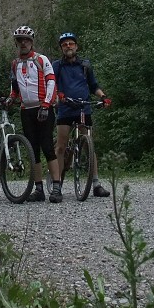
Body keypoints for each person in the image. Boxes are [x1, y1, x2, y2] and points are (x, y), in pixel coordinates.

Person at [7, 25, 63, 203]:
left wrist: (46, 105)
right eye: (20, 40)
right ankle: (39, 189)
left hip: (42, 107)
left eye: (26, 40)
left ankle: (56, 186)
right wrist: (10, 98)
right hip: (26, 110)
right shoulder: (15, 63)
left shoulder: (41, 59)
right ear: (16, 43)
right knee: (33, 149)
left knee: (47, 146)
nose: (23, 43)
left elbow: (51, 82)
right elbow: (15, 87)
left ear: (32, 42)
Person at [52, 31, 111, 197]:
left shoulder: (85, 65)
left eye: (71, 43)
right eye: (64, 45)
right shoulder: (57, 66)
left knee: (88, 146)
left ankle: (96, 184)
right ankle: (57, 185)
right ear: (61, 48)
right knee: (61, 147)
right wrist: (59, 95)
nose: (68, 46)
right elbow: (52, 85)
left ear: (76, 46)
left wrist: (103, 97)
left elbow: (94, 86)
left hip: (83, 108)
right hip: (65, 109)